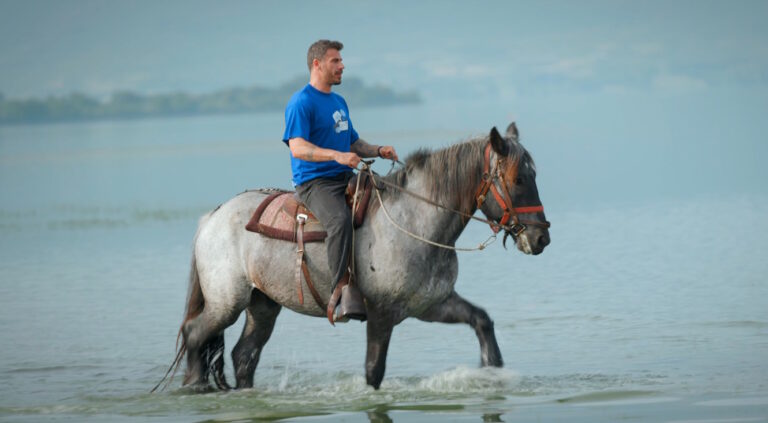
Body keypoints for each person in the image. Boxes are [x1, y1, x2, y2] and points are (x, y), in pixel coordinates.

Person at [282, 40, 398, 320]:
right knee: (339, 221)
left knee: (386, 199)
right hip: (315, 183)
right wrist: (337, 156)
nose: (342, 66)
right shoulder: (301, 102)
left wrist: (378, 151)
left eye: (341, 61)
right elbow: (298, 147)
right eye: (335, 61)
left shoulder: (339, 101)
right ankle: (340, 292)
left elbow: (353, 141)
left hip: (344, 175)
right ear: (317, 64)